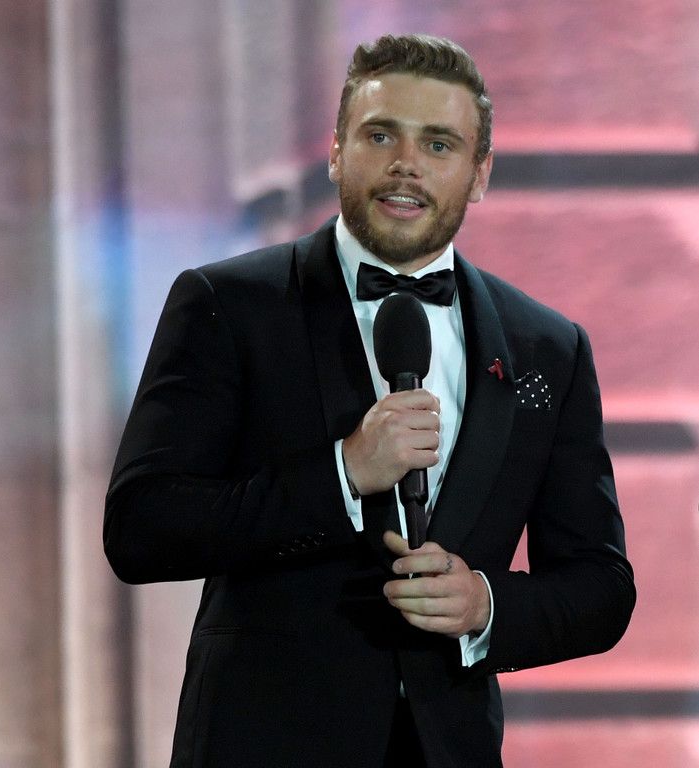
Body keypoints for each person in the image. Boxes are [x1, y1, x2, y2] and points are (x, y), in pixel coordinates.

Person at [104, 34, 635, 768]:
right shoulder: (228, 304)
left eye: (439, 144)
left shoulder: (548, 346)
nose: (405, 164)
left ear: (479, 173)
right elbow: (141, 529)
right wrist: (344, 473)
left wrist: (484, 606)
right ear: (335, 152)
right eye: (380, 135)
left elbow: (600, 587)